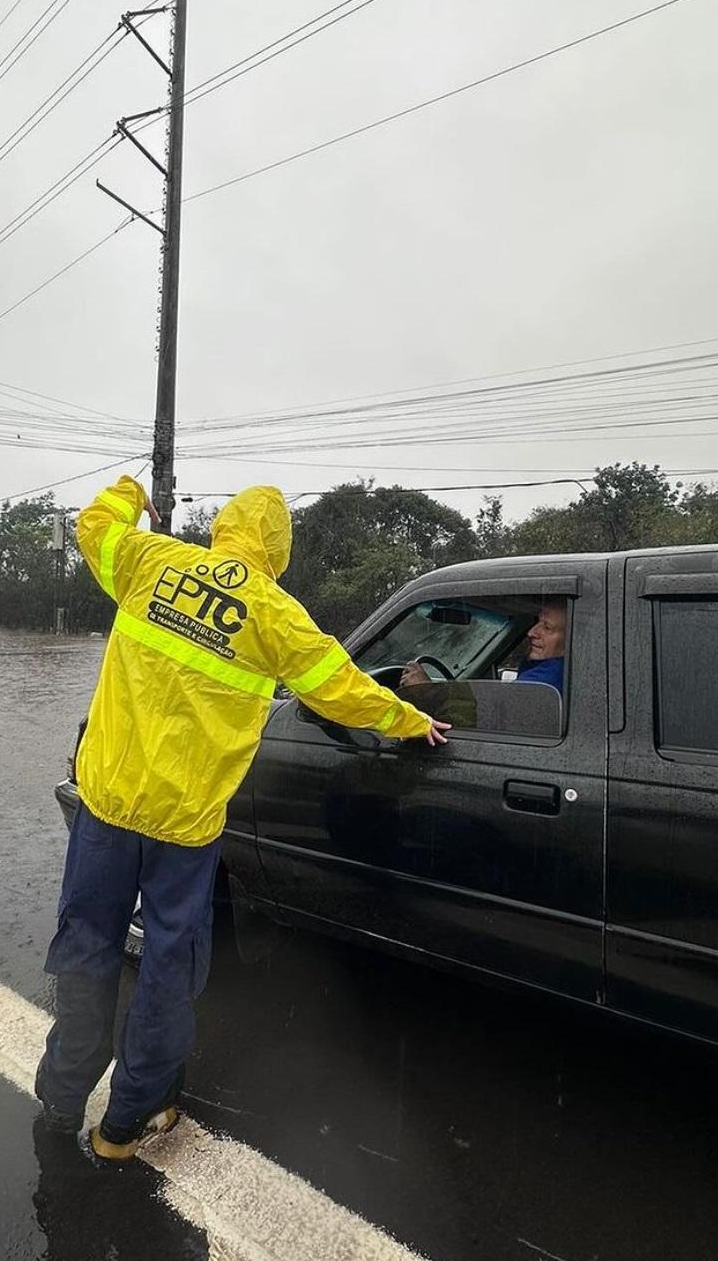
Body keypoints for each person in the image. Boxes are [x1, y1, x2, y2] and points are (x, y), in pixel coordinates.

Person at [36, 476, 451, 1161]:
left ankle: (60, 1101)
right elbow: (343, 691)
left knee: (86, 950)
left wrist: (129, 491)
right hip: (184, 827)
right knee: (168, 968)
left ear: (223, 526)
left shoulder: (151, 561)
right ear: (277, 548)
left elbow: (93, 528)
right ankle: (126, 1124)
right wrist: (409, 719)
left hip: (107, 808)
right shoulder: (274, 614)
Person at [400, 599, 568, 694]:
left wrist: (427, 692)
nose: (531, 632)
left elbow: (485, 718)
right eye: (537, 622)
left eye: (547, 628)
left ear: (571, 640)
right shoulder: (560, 672)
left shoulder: (545, 682)